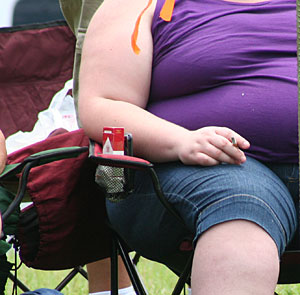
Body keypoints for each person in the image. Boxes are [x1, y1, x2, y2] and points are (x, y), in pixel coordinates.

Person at [81, 0, 299, 294]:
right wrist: (182, 141)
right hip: (192, 170)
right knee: (242, 202)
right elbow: (103, 104)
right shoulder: (139, 4)